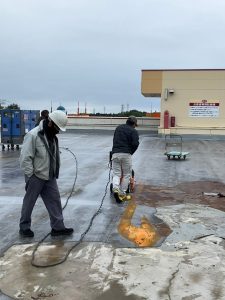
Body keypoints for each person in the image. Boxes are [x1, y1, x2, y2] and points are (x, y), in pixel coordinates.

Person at [19, 110, 74, 237]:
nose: (58, 131)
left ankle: (58, 228)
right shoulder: (33, 135)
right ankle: (24, 227)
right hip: (35, 175)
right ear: (50, 123)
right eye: (57, 128)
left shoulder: (52, 136)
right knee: (29, 202)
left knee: (54, 200)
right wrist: (31, 175)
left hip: (49, 175)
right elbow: (25, 158)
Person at [111, 115, 139, 203]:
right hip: (126, 154)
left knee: (116, 174)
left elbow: (114, 140)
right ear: (134, 123)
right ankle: (122, 194)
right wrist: (130, 152)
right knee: (127, 174)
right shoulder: (133, 131)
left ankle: (115, 188)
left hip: (115, 153)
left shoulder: (118, 128)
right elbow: (135, 144)